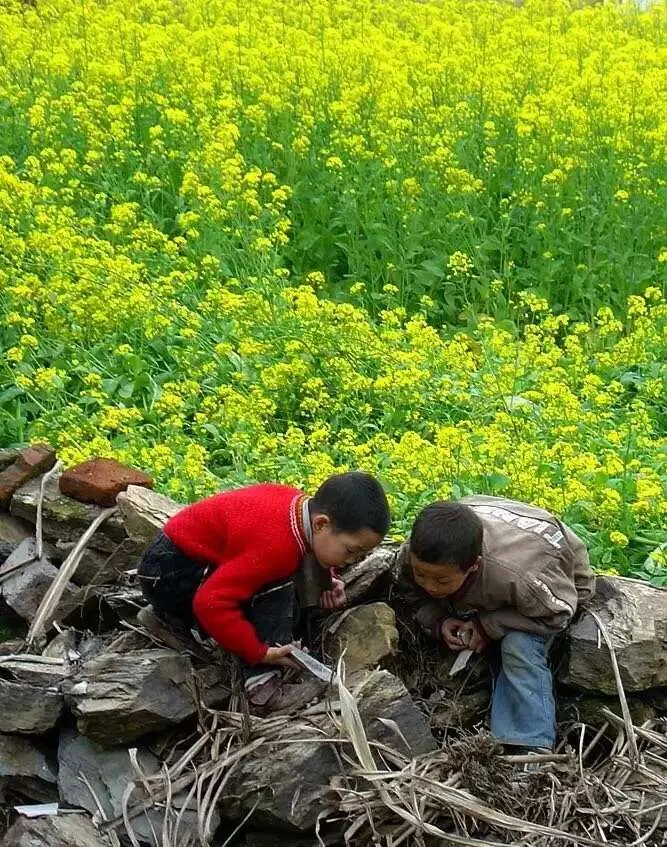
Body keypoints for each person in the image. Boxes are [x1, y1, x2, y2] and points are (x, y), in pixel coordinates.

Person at [137, 471, 390, 713]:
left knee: (280, 570)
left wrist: (328, 578)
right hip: (168, 575)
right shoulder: (277, 547)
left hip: (175, 558)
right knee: (275, 585)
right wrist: (259, 651)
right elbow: (211, 602)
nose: (353, 560)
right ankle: (261, 686)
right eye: (350, 551)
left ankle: (176, 620)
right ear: (321, 523)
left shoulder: (299, 510)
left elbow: (299, 551)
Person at [397, 495, 595, 753]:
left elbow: (558, 615)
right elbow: (408, 587)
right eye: (421, 574)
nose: (429, 585)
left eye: (442, 581)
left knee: (518, 644)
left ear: (473, 566)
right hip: (498, 540)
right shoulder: (416, 554)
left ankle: (529, 746)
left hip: (555, 588)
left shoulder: (523, 580)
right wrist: (438, 619)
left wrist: (487, 626)